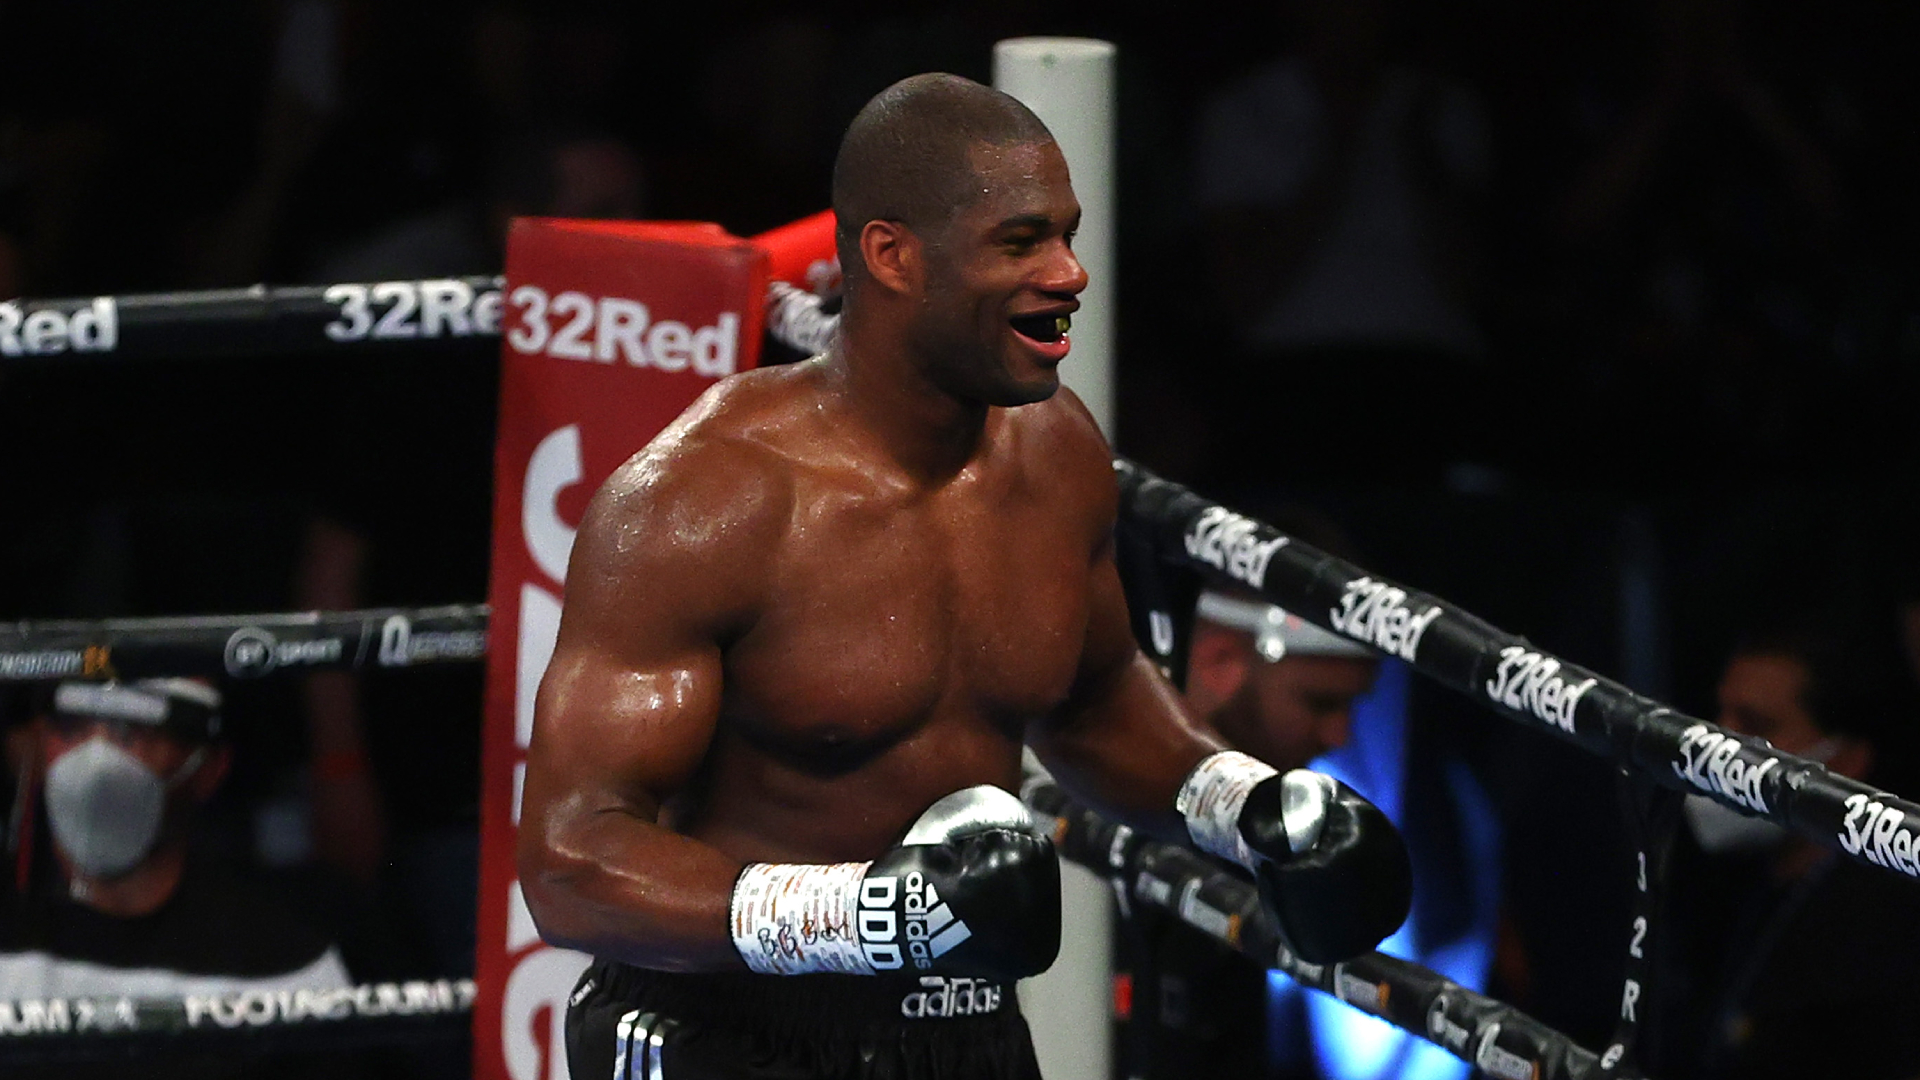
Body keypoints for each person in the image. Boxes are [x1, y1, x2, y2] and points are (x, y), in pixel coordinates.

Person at [518, 73, 1413, 1080]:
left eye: (1068, 234)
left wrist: (1245, 806)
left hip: (959, 1031)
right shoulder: (706, 502)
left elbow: (1094, 697)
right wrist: (866, 916)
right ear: (893, 256)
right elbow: (571, 863)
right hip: (721, 1033)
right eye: (1022, 240)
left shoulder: (1056, 455)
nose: (1071, 272)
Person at [1654, 625, 1920, 1079]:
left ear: (1846, 761)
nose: (1723, 748)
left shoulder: (1879, 941)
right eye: (1722, 716)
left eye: (1757, 727)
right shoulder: (1728, 887)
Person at [0, 678, 351, 1000]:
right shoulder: (11, 939)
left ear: (208, 767)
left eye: (130, 732)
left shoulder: (281, 963)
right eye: (71, 727)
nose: (97, 759)